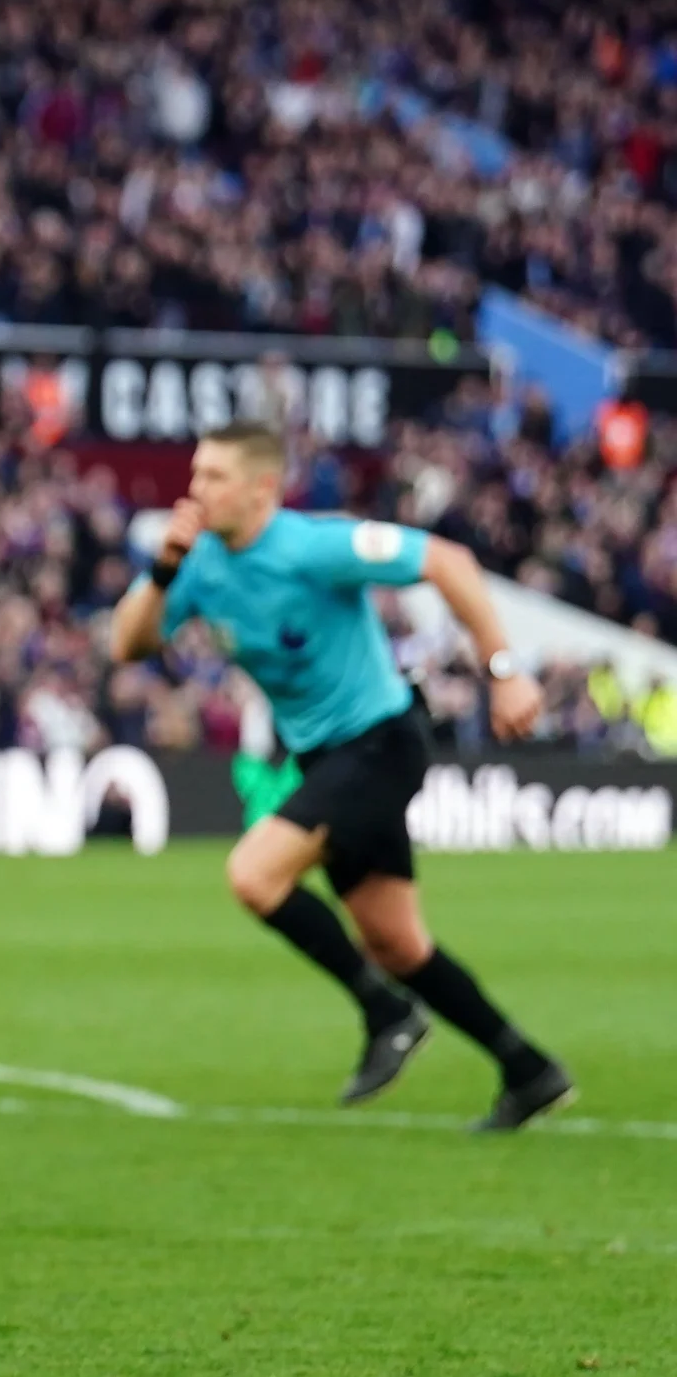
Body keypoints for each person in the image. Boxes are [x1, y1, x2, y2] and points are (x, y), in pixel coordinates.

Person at [108, 422, 573, 1130]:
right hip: (327, 759)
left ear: (263, 488)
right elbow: (127, 643)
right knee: (397, 944)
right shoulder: (197, 563)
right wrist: (166, 569)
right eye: (195, 475)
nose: (196, 492)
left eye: (214, 478)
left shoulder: (313, 545)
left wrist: (503, 674)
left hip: (382, 742)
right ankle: (527, 1068)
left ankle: (386, 1012)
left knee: (255, 875)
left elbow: (447, 560)